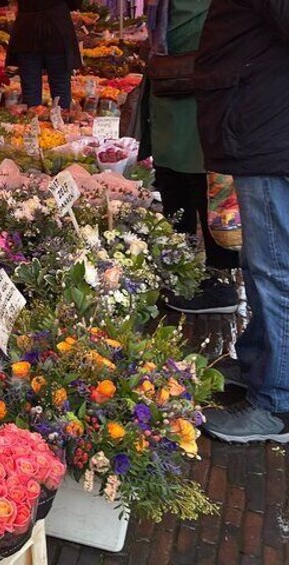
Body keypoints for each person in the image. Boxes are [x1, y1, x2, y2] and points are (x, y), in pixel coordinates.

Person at [194, 0, 289, 443]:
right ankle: (259, 362)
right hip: (260, 122)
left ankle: (275, 402)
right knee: (261, 264)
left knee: (275, 272)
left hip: (269, 129)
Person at [142, 0, 240, 315]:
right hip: (172, 98)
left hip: (199, 97)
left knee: (205, 185)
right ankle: (179, 271)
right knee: (175, 179)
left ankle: (220, 281)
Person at [7, 0, 83, 109]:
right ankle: (62, 121)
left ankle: (32, 121)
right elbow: (75, 4)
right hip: (57, 27)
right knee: (60, 86)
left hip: (27, 29)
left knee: (30, 88)